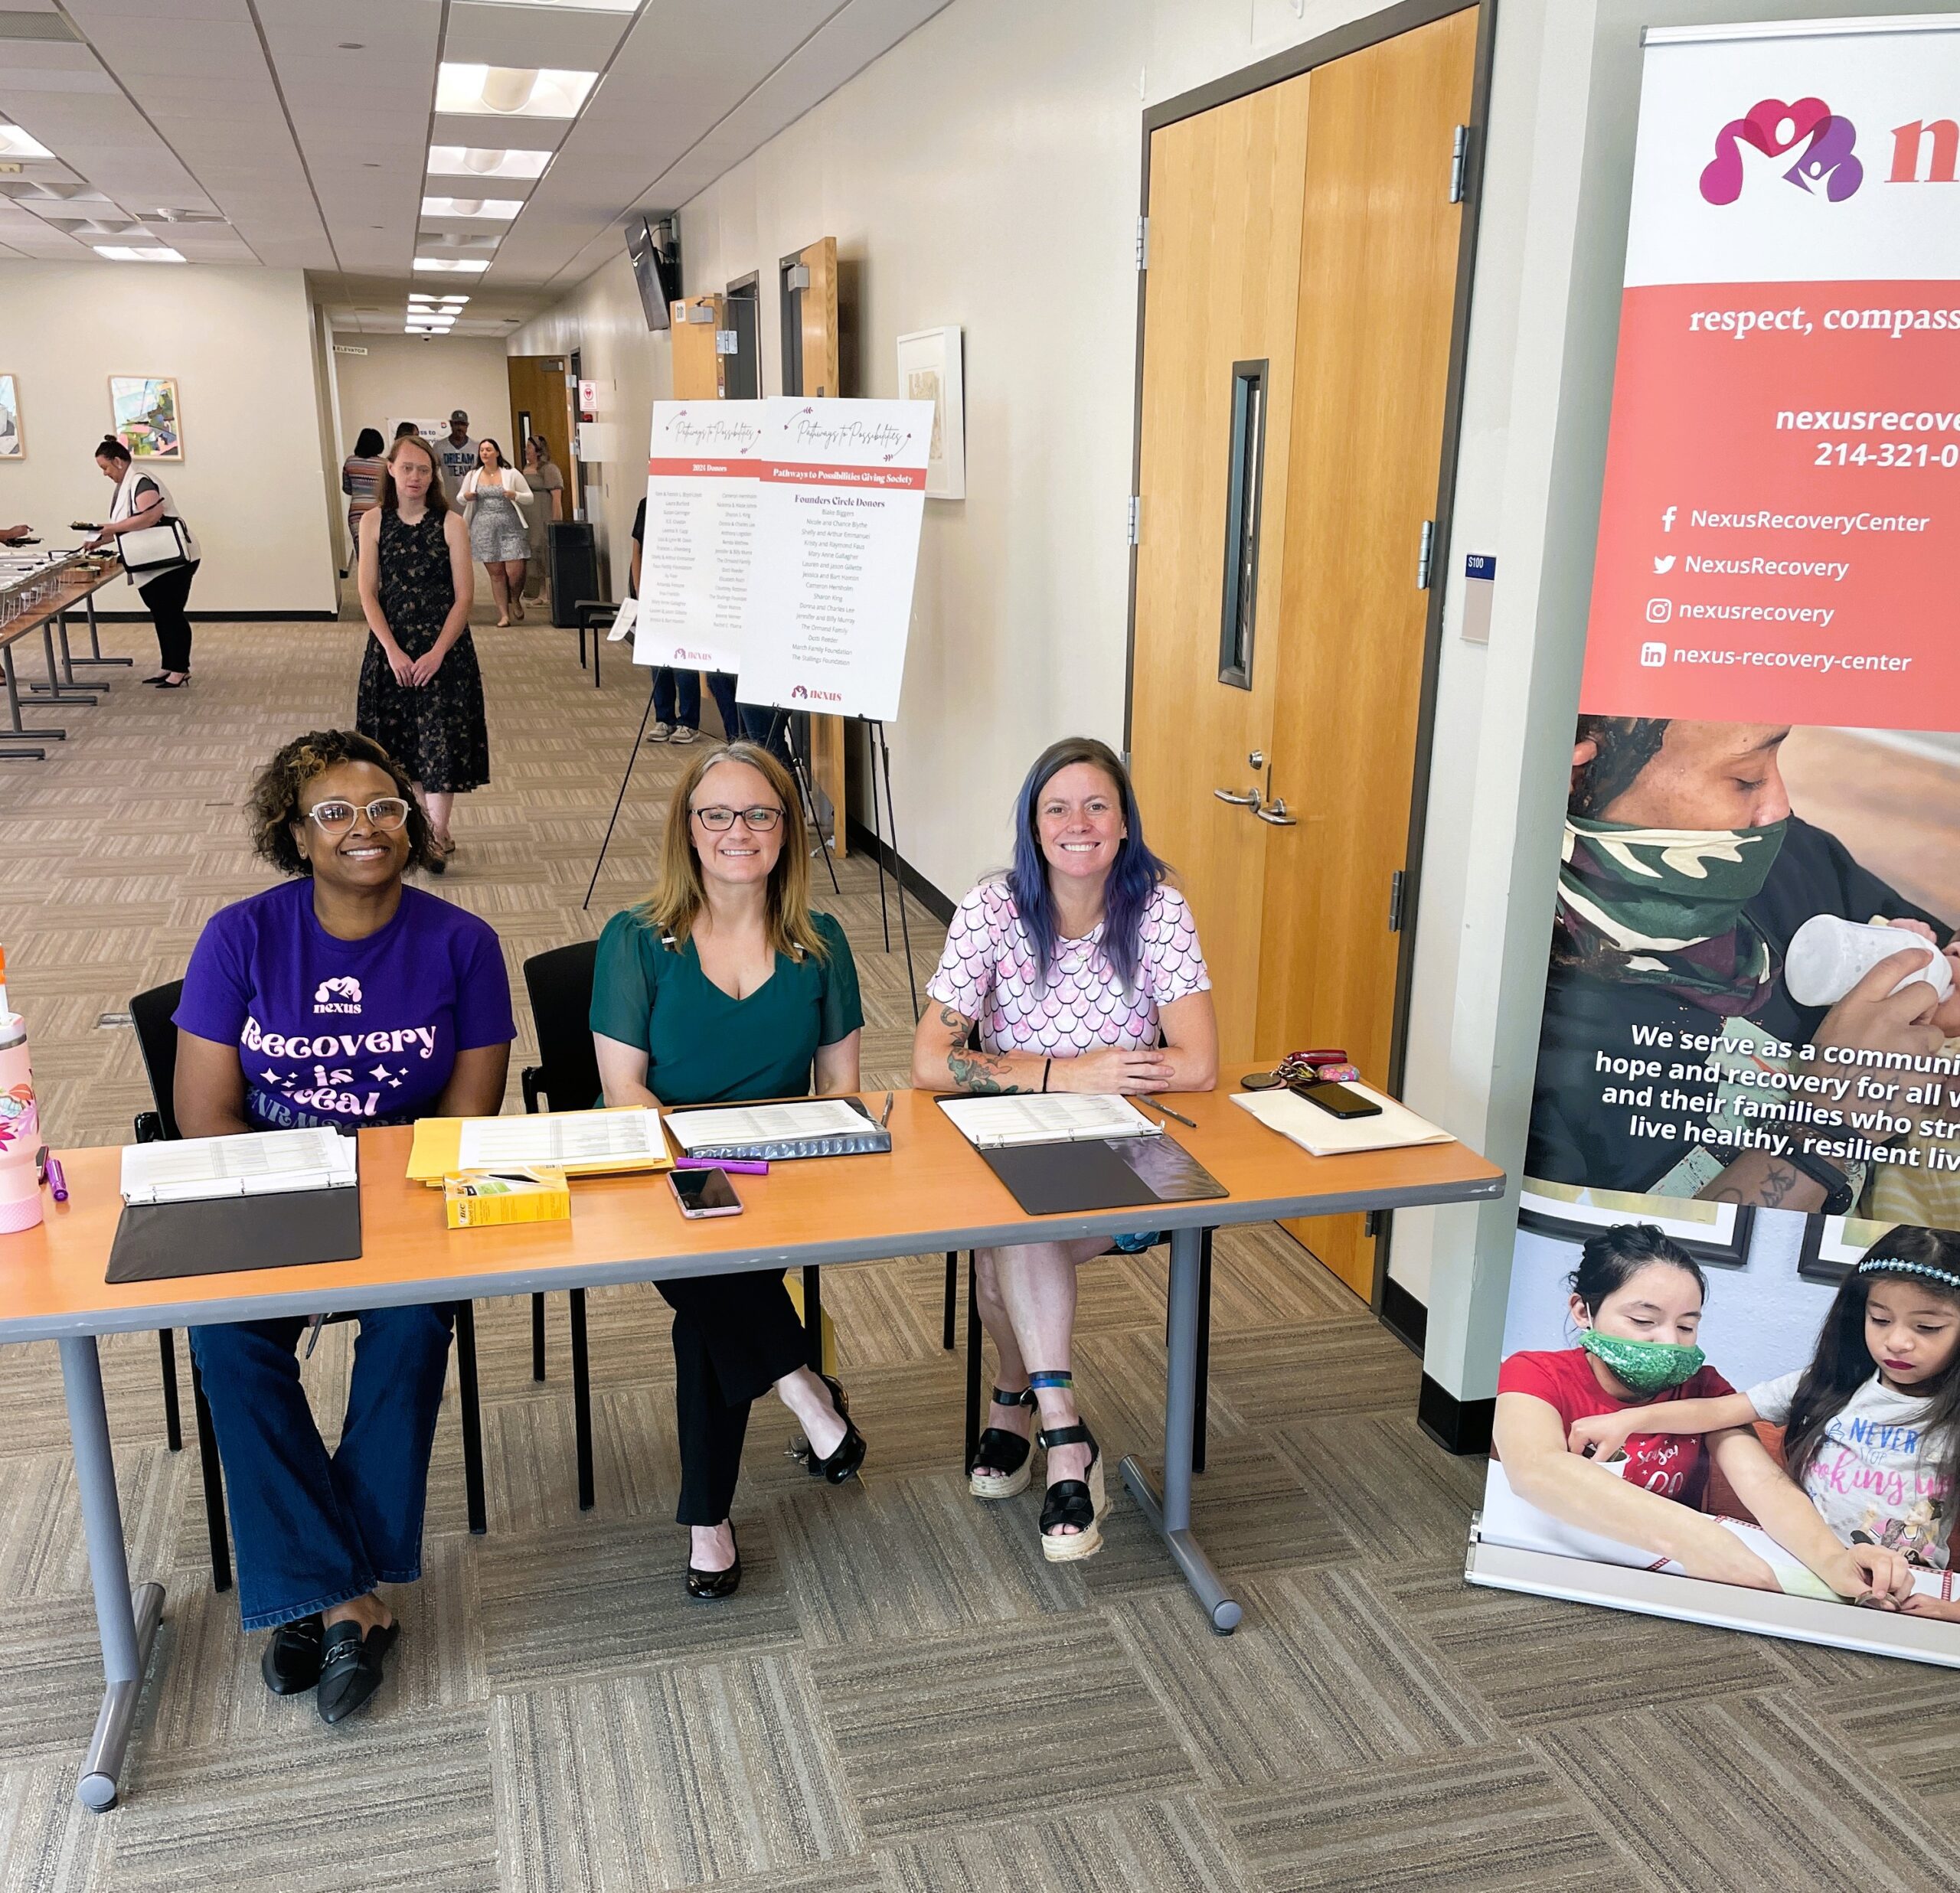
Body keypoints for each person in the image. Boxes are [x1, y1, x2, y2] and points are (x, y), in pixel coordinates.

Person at [173, 729, 514, 1722]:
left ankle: (316, 1588)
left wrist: (380, 1201)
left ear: (411, 822)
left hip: (407, 1198)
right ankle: (350, 1596)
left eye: (386, 807)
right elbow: (204, 1116)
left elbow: (464, 1121)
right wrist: (307, 1192)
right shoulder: (240, 937)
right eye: (335, 811)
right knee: (231, 1342)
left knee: (411, 1326)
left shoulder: (465, 944)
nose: (365, 828)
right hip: (271, 1190)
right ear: (295, 831)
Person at [913, 736, 1217, 1559]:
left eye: (1097, 807)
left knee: (1006, 1237)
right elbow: (928, 1060)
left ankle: (1020, 1403)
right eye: (1058, 808)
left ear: (1123, 825)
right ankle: (1060, 1429)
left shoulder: (1156, 909)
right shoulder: (991, 908)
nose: (1077, 823)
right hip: (1016, 1139)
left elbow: (1196, 1065)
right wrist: (1070, 1072)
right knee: (1014, 1224)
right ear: (1032, 824)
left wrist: (1042, 1076)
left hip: (1133, 1155)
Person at [590, 740, 867, 1598]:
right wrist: (697, 1171)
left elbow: (842, 1092)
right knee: (714, 1275)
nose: (737, 830)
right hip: (664, 1170)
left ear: (787, 831)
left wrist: (794, 1164)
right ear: (688, 826)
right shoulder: (637, 938)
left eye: (759, 813)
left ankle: (710, 1518)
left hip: (780, 1175)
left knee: (706, 1314)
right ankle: (800, 1385)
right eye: (716, 813)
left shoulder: (821, 946)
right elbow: (624, 1091)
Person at [1528, 716, 1952, 1207]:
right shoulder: (1528, 1031)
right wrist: (1829, 1124)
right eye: (1746, 778)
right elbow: (1656, 1280)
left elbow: (1942, 966)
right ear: (1579, 775)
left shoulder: (1784, 859)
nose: (1779, 809)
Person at [1492, 1222, 1913, 1603]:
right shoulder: (1534, 1372)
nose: (1669, 1342)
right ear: (1584, 1311)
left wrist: (1832, 1560)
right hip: (1558, 1573)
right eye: (1644, 1320)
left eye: (1687, 1326)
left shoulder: (1703, 1390)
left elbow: (1762, 1482)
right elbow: (1536, 1469)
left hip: (1669, 1587)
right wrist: (1695, 1538)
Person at [355, 433, 485, 873]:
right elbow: (367, 594)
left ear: (434, 476)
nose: (415, 477)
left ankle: (436, 832)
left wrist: (436, 654)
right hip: (390, 648)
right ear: (390, 469)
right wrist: (392, 651)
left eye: (424, 470)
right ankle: (414, 827)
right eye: (407, 468)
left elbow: (464, 598)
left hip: (443, 649)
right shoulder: (373, 521)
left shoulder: (451, 523)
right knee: (398, 743)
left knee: (440, 742)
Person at [629, 495, 750, 747]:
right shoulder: (647, 503)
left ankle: (689, 721)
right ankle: (664, 718)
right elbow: (637, 550)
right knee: (658, 659)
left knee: (685, 660)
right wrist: (642, 595)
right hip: (657, 593)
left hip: (687, 593)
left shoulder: (696, 499)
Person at [85, 435, 199, 688]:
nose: (104, 474)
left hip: (172, 561)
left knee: (170, 614)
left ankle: (180, 669)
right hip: (154, 560)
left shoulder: (140, 481)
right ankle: (169, 665)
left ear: (118, 461)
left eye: (105, 467)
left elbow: (150, 517)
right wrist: (103, 538)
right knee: (161, 614)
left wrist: (110, 529)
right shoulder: (129, 483)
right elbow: (130, 525)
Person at [457, 439, 533, 626]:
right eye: (482, 450)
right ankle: (504, 615)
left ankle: (515, 598)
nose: (484, 453)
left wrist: (516, 495)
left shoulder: (511, 473)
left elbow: (529, 497)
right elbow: (460, 497)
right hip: (484, 528)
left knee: (515, 571)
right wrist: (466, 497)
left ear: (497, 453)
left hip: (510, 526)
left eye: (489, 449)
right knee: (497, 574)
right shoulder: (473, 474)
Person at [522, 434, 564, 608]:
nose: (526, 450)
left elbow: (556, 497)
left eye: (530, 447)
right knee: (534, 554)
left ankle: (549, 593)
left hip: (543, 514)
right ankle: (539, 592)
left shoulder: (549, 469)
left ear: (538, 450)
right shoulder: (525, 469)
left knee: (545, 553)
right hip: (529, 518)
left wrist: (556, 521)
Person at [341, 426, 387, 575]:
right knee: (381, 554)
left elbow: (347, 489)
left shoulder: (350, 462)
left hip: (356, 514)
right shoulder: (385, 465)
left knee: (363, 555)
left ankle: (367, 591)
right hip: (378, 514)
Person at [437, 410, 475, 493]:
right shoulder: (439, 446)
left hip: (471, 500)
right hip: (448, 499)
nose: (460, 428)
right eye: (457, 424)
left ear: (467, 426)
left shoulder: (477, 447)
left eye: (463, 424)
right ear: (451, 424)